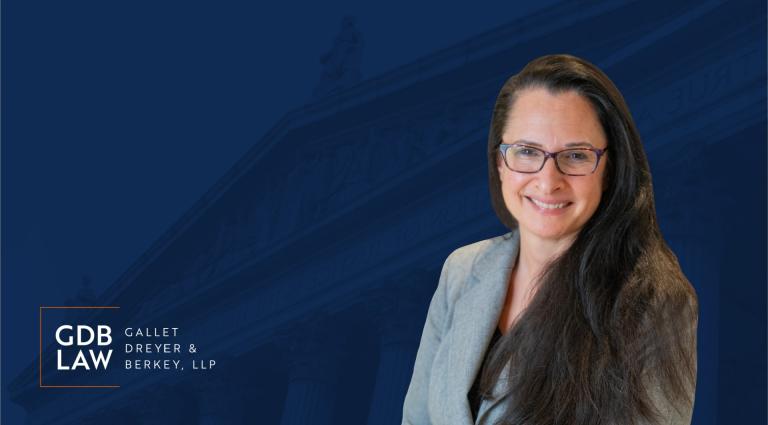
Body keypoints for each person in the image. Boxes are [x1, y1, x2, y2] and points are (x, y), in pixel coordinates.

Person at [401, 54, 698, 425]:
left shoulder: (656, 304)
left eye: (575, 155)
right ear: (499, 162)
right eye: (526, 152)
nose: (547, 180)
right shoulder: (460, 271)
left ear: (611, 168)